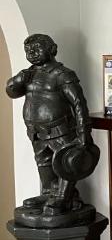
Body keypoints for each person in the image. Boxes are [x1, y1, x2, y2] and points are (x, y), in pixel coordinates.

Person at [4, 33, 92, 215]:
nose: (32, 53)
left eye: (37, 49)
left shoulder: (62, 74)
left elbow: (79, 103)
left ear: (52, 49)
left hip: (60, 129)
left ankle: (63, 197)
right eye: (28, 51)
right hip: (36, 131)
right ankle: (47, 193)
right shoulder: (29, 74)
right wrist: (17, 80)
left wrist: (84, 134)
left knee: (65, 162)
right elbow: (12, 92)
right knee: (43, 162)